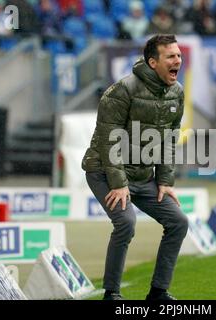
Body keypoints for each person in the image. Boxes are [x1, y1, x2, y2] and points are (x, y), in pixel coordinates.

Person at [82, 34, 189, 300]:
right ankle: (112, 294)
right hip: (105, 172)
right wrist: (119, 184)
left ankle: (158, 292)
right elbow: (109, 139)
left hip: (143, 176)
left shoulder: (177, 92)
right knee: (126, 223)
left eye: (178, 55)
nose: (178, 60)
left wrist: (164, 181)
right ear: (153, 62)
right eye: (171, 56)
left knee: (178, 222)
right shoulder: (122, 90)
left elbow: (169, 139)